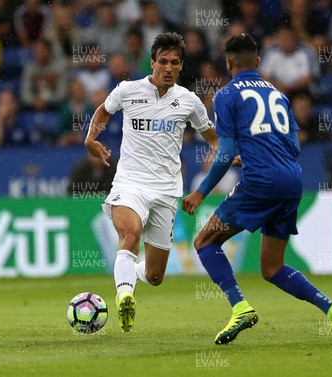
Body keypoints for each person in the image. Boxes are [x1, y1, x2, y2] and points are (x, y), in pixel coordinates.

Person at [182, 34, 332, 345]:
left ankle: (240, 308)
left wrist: (201, 192)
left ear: (228, 62)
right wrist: (255, 157)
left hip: (260, 182)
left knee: (205, 240)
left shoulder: (226, 95)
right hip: (291, 182)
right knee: (272, 267)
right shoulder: (278, 94)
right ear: (259, 62)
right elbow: (292, 145)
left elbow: (223, 153)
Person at [84, 32, 219, 332]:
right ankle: (125, 296)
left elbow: (211, 137)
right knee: (129, 235)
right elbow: (103, 111)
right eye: (163, 62)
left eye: (174, 62)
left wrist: (225, 155)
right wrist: (91, 138)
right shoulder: (128, 90)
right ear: (152, 63)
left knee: (156, 275)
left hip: (167, 191)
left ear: (182, 66)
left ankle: (129, 275)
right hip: (130, 183)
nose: (168, 68)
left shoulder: (189, 101)